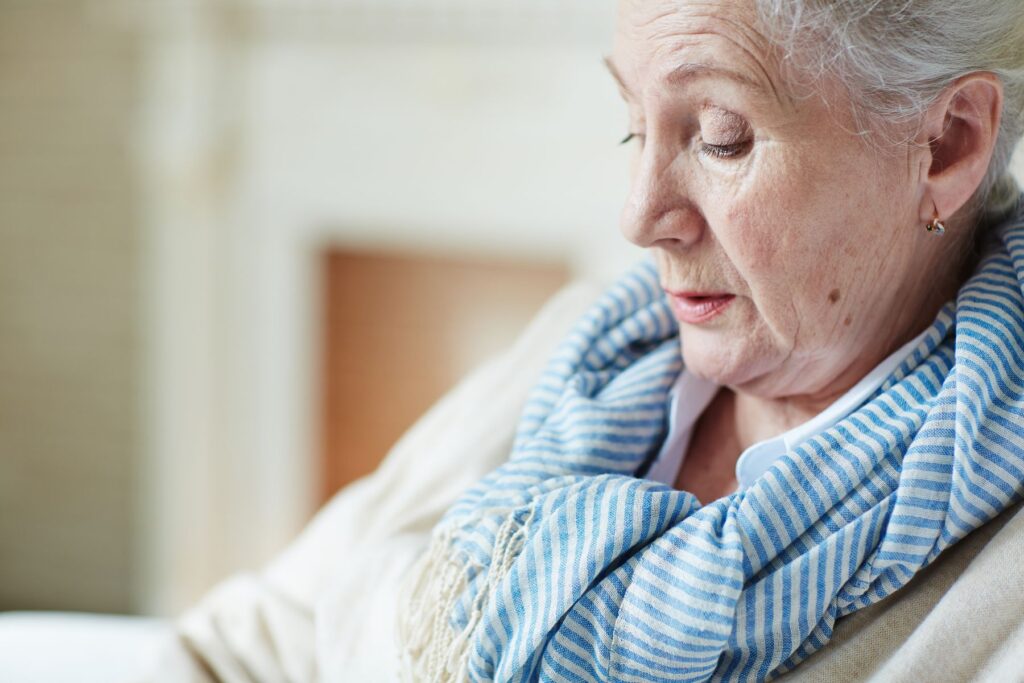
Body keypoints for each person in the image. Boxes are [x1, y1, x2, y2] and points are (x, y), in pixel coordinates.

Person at [153, 0, 1024, 680]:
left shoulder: (1000, 584)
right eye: (632, 127)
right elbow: (244, 648)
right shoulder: (586, 351)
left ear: (949, 143)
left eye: (722, 139)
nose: (639, 216)